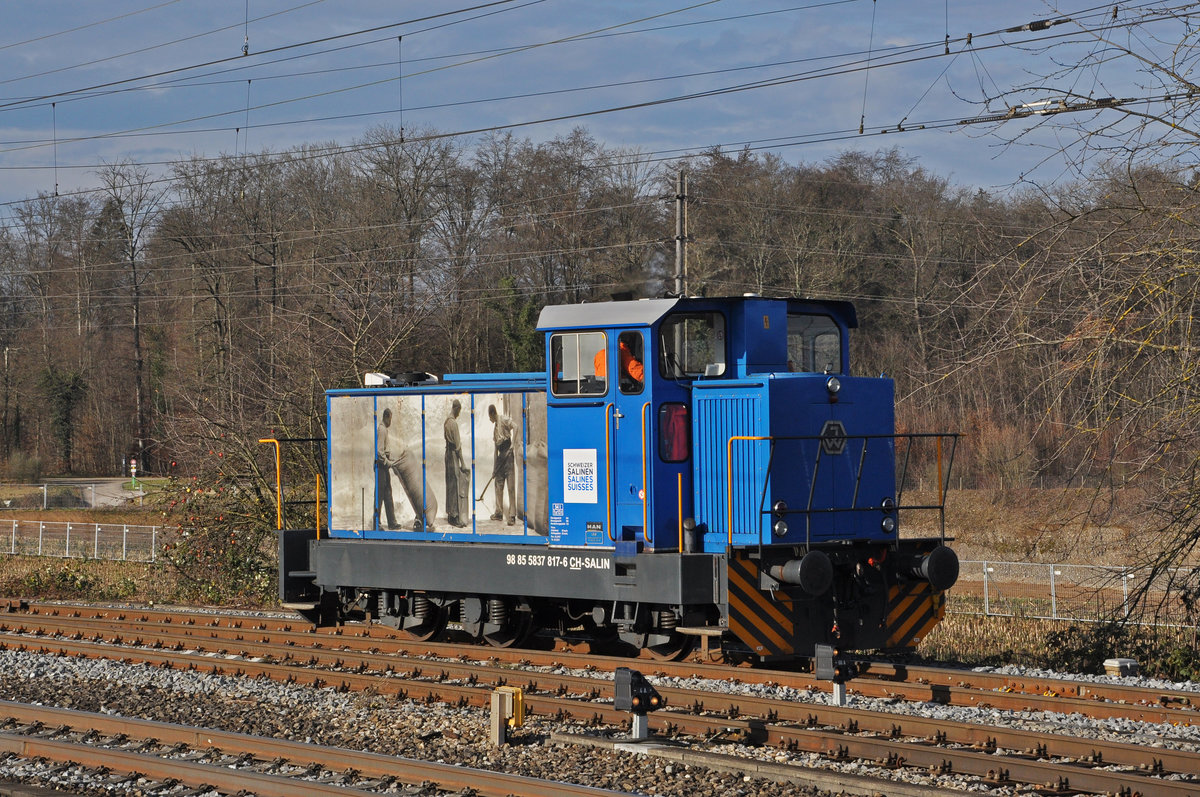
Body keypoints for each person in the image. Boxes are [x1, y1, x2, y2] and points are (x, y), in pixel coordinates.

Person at [488, 403, 516, 525]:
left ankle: (512, 515)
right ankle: (499, 513)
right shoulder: (495, 430)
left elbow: (516, 427)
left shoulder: (504, 419)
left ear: (493, 414)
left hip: (508, 455)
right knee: (498, 485)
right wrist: (494, 469)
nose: (489, 419)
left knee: (510, 487)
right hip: (500, 457)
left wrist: (513, 445)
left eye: (489, 416)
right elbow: (495, 451)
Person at [444, 399, 468, 527]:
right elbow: (458, 446)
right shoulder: (453, 423)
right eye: (459, 411)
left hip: (447, 454)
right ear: (456, 408)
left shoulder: (446, 422)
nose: (459, 414)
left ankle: (450, 513)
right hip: (452, 454)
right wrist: (462, 463)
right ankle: (454, 517)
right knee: (454, 485)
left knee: (449, 484)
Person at [374, 408, 399, 530]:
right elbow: (379, 452)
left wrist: (391, 460)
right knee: (379, 495)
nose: (391, 422)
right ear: (387, 417)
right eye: (390, 419)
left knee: (388, 494)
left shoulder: (384, 429)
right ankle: (376, 523)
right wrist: (388, 462)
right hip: (381, 466)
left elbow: (385, 451)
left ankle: (392, 523)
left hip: (384, 465)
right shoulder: (382, 430)